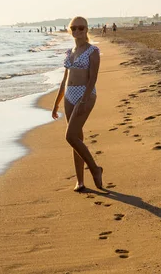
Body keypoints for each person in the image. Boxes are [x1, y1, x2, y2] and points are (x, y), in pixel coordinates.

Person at [52, 16, 104, 191]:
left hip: (85, 94)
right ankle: (80, 181)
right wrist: (56, 102)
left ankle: (95, 169)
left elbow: (93, 78)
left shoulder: (93, 51)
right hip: (69, 95)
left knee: (70, 136)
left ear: (86, 29)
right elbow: (64, 79)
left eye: (81, 28)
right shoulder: (70, 52)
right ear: (70, 30)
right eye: (73, 28)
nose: (77, 31)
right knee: (76, 139)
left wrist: (84, 99)